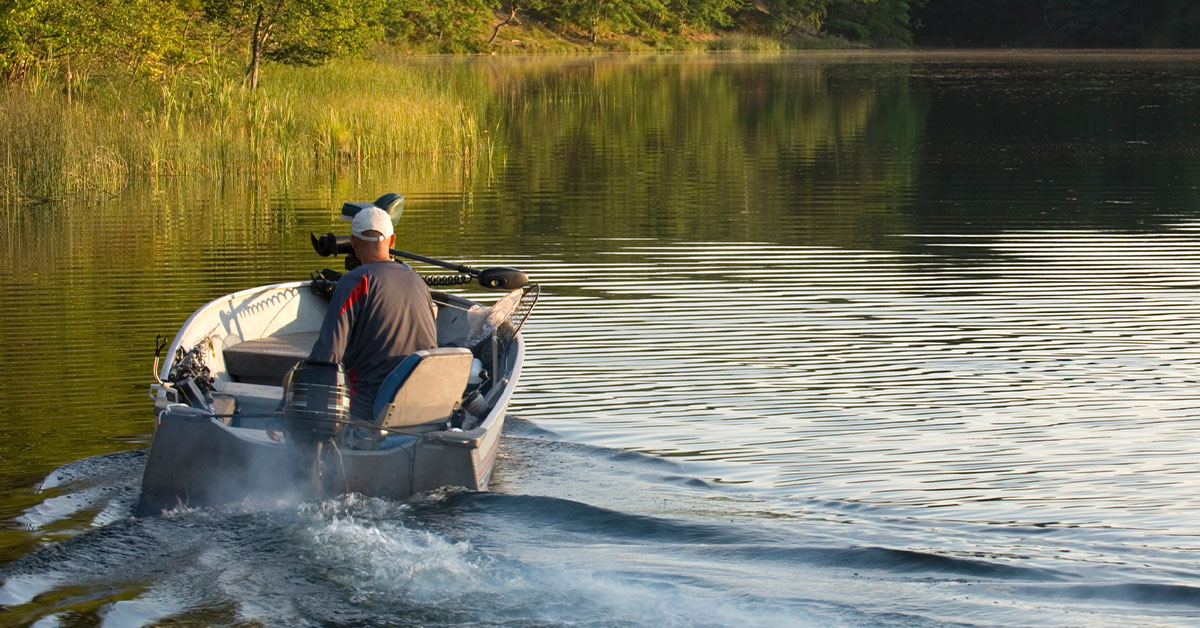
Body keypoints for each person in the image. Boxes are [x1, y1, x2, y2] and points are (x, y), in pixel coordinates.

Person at [308, 205, 437, 423]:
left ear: (353, 243)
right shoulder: (418, 281)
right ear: (392, 240)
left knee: (297, 380)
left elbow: (327, 357)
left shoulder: (356, 281)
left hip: (369, 411)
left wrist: (292, 386)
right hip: (423, 406)